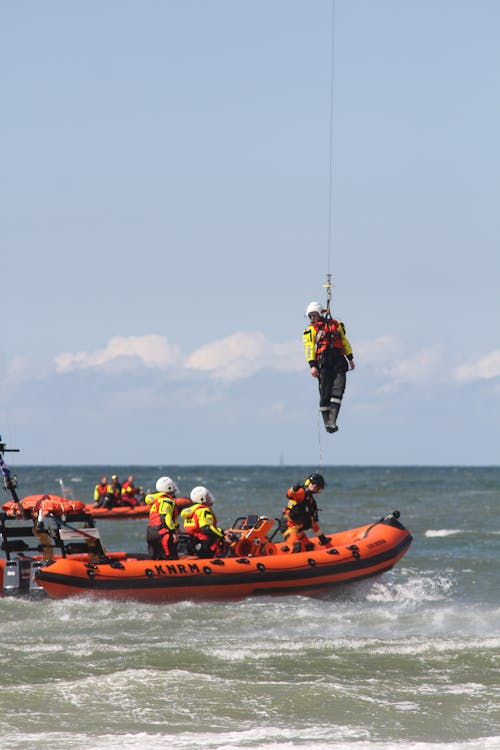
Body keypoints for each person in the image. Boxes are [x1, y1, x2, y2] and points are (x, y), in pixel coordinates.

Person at [303, 301, 355, 433]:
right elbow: (309, 347)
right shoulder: (311, 330)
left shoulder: (336, 325)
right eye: (310, 316)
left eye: (314, 315)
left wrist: (350, 358)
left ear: (320, 313)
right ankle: (327, 422)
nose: (312, 318)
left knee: (339, 388)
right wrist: (312, 365)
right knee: (325, 392)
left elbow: (344, 341)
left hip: (338, 360)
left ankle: (332, 421)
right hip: (323, 362)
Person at [282, 473, 331, 553]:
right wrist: (293, 489)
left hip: (297, 529)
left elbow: (313, 523)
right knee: (296, 547)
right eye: (313, 483)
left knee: (308, 547)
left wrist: (322, 538)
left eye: (317, 486)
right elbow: (290, 494)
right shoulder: (301, 492)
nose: (314, 486)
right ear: (308, 482)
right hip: (288, 526)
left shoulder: (312, 502)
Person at [181, 486, 225, 558]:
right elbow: (206, 528)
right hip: (204, 542)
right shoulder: (204, 510)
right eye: (208, 496)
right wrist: (221, 535)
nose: (210, 498)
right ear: (202, 498)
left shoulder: (191, 511)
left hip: (193, 540)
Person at [145, 476, 180, 559]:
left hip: (150, 532)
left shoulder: (156, 500)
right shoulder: (166, 500)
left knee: (156, 557)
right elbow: (165, 518)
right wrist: (173, 532)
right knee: (170, 556)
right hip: (162, 532)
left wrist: (177, 526)